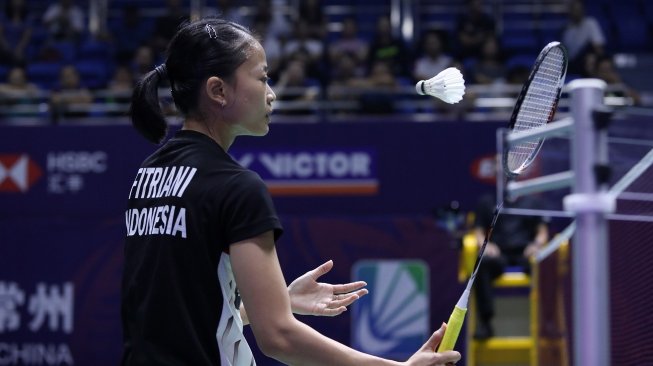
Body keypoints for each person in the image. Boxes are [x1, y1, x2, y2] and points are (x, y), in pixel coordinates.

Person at [123, 18, 460, 366]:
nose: (271, 93)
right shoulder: (235, 187)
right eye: (262, 77)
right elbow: (279, 337)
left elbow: (176, 322)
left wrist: (276, 299)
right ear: (218, 91)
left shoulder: (148, 175)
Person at [472, 193, 549, 339]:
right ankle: (485, 323)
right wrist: (486, 245)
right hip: (498, 253)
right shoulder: (487, 201)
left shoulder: (533, 202)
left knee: (545, 264)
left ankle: (547, 321)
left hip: (525, 253)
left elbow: (542, 232)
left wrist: (536, 245)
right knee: (482, 264)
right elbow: (479, 232)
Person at [561, 0, 606, 76]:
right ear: (570, 11)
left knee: (591, 57)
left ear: (583, 10)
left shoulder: (591, 23)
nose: (577, 12)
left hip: (589, 61)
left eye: (579, 10)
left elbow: (598, 47)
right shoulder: (566, 29)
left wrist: (601, 63)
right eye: (574, 10)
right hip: (572, 63)